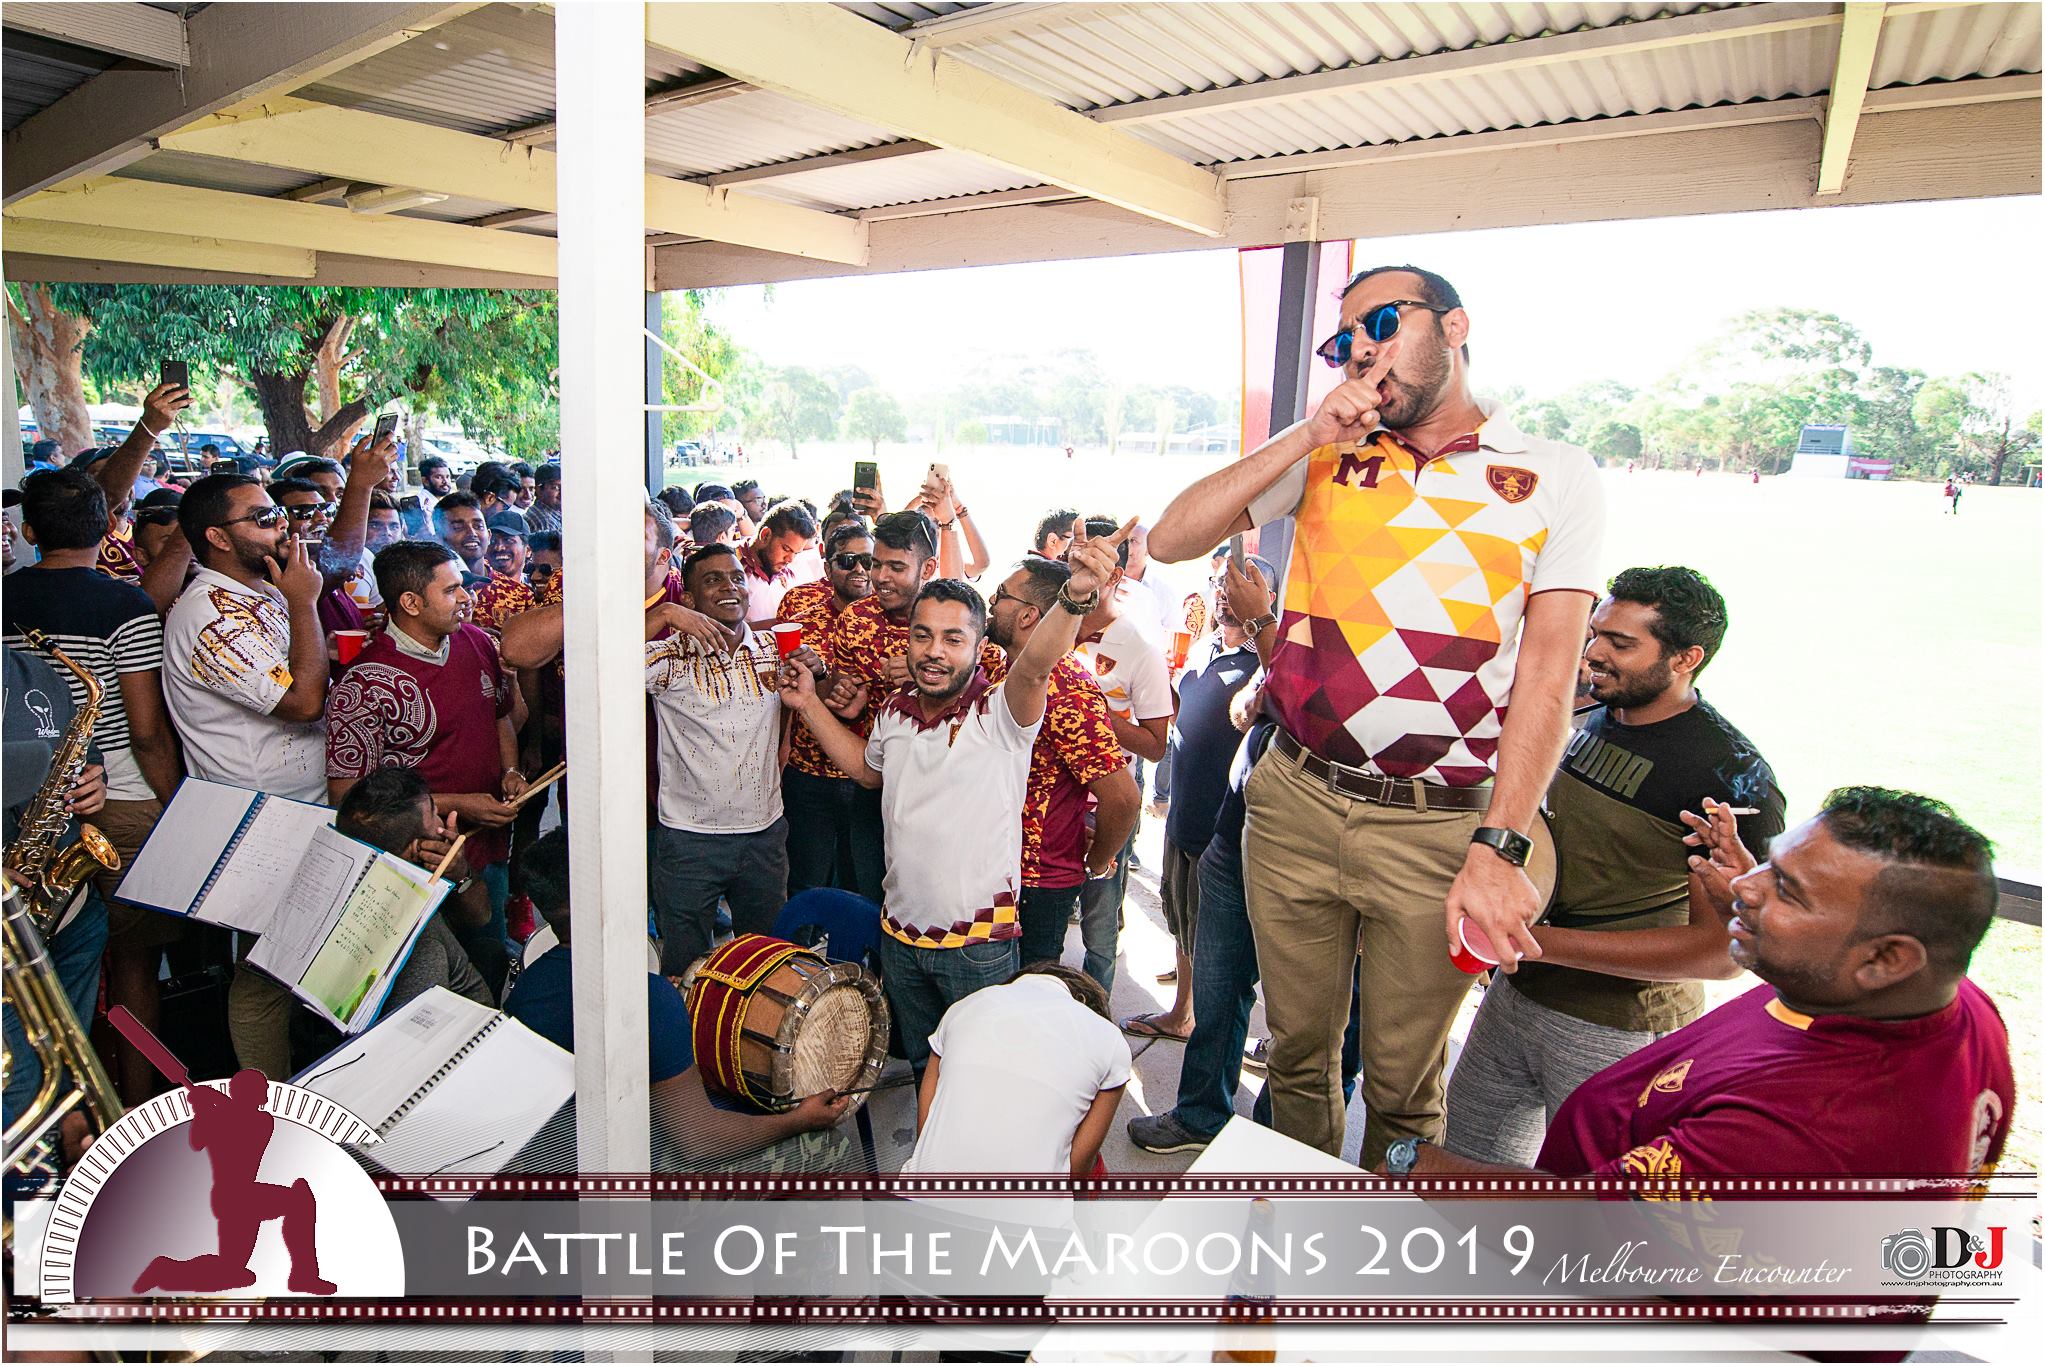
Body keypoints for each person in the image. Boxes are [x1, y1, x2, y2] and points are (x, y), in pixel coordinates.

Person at [1148, 265, 1605, 1167]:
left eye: (1381, 322)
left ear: (1456, 326)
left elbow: (1548, 682)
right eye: (1342, 337)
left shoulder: (1554, 475)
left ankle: (1377, 1266)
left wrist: (1500, 845)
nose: (1359, 347)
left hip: (1444, 826)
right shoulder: (1325, 453)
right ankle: (1291, 1247)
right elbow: (1170, 538)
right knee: (1299, 1058)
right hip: (1296, 803)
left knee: (1402, 1080)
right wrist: (1306, 432)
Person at [1391, 788, 2013, 1181]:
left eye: (1788, 890)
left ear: (1885, 960)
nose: (1745, 885)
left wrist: (1411, 1164)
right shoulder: (1953, 1008)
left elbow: (1570, 1231)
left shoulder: (1800, 1131)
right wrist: (1765, 918)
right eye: (1769, 863)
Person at [1444, 567, 1786, 1167]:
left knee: (1590, 1215)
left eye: (1621, 644)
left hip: (1618, 1031)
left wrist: (1532, 941)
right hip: (1516, 995)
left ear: (1687, 658)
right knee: (1467, 1178)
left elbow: (1715, 953)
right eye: (1596, 633)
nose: (1595, 653)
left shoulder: (1727, 775)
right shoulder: (1585, 713)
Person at [779, 519, 1130, 1073]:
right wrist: (809, 705)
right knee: (924, 1067)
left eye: (952, 638)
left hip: (978, 950)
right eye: (922, 635)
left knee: (982, 1078)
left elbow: (1037, 664)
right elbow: (870, 774)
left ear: (977, 642)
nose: (934, 652)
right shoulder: (894, 711)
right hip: (899, 939)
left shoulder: (1001, 714)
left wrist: (1076, 596)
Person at [505, 829, 853, 1168]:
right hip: (636, 1176)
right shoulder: (647, 1000)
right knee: (831, 1147)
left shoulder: (525, 991)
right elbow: (698, 1142)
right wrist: (801, 1119)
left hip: (564, 1160)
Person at [3, 469, 185, 1104]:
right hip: (124, 797)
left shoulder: (7, 597)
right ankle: (129, 1107)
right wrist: (176, 803)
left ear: (29, 533)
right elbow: (146, 730)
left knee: (50, 963)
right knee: (133, 967)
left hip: (40, 805)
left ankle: (71, 1109)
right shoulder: (122, 605)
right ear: (111, 528)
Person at [325, 541, 523, 994]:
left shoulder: (476, 642)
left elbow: (501, 718)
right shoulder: (366, 680)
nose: (467, 598)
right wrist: (460, 804)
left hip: (487, 845)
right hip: (417, 862)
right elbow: (347, 797)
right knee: (432, 981)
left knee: (488, 958)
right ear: (411, 603)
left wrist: (513, 772)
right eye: (451, 590)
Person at [1121, 554, 1272, 1043]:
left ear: (1266, 595)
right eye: (1218, 582)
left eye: (1239, 583)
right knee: (1182, 917)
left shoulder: (1268, 661)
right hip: (1184, 809)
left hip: (1222, 823)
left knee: (1216, 941)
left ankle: (1201, 1024)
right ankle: (1183, 1009)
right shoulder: (1201, 647)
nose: (1224, 591)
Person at [644, 543, 812, 976]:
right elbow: (595, 664)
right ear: (689, 599)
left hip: (764, 834)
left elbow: (814, 693)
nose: (730, 587)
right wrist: (659, 617)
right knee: (685, 962)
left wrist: (815, 679)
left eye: (737, 577)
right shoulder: (667, 657)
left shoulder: (776, 651)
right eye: (712, 580)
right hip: (689, 838)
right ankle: (688, 1040)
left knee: (766, 960)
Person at [983, 556, 1138, 977]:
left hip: (1037, 884)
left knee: (1024, 1001)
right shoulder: (999, 663)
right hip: (991, 866)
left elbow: (1123, 799)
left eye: (1001, 596)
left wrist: (1097, 861)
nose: (991, 603)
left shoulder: (1067, 687)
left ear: (1029, 616)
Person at [2, 643, 113, 1155]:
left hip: (66, 914)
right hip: (9, 937)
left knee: (70, 1086)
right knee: (22, 1095)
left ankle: (46, 1220)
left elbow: (85, 760)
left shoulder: (34, 671)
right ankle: (20, 1225)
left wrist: (96, 784)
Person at [1068, 514, 1172, 996]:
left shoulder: (1140, 646)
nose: (1079, 572)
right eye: (1074, 559)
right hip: (1041, 809)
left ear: (1115, 575)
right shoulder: (1051, 627)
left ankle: (1096, 1021)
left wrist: (1089, 716)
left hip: (1105, 806)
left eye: (1092, 563)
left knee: (1099, 932)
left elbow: (1155, 743)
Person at [902, 963, 1130, 1179]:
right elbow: (1077, 1171)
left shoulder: (962, 1008)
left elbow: (926, 1131)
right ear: (1085, 1002)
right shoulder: (1110, 1041)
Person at [777, 522, 885, 900]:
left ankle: (852, 959)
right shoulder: (798, 607)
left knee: (863, 882)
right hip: (809, 769)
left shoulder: (895, 619)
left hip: (868, 773)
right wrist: (781, 745)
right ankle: (800, 953)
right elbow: (784, 682)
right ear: (827, 568)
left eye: (868, 561)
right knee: (805, 879)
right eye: (847, 561)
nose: (859, 570)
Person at [332, 766, 493, 1015]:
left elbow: (480, 917)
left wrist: (461, 873)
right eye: (435, 814)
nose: (444, 821)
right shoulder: (423, 947)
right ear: (418, 848)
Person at [740, 501, 820, 627]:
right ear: (765, 535)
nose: (790, 559)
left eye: (796, 553)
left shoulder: (794, 572)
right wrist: (780, 625)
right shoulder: (729, 565)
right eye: (786, 549)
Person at [471, 510, 536, 635]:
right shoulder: (472, 584)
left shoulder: (531, 589)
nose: (499, 547)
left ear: (527, 550)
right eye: (493, 541)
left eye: (508, 540)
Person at [433, 491, 492, 584]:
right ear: (438, 538)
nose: (472, 533)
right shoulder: (429, 591)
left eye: (478, 526)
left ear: (489, 536)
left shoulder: (515, 593)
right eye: (458, 528)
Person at [525, 462, 563, 534]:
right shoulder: (545, 523)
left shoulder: (552, 513)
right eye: (555, 487)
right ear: (539, 490)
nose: (562, 492)